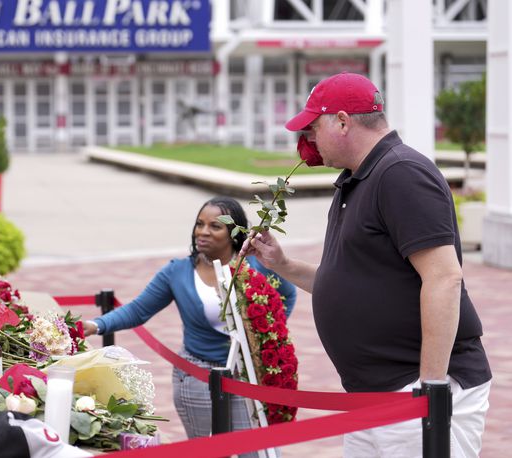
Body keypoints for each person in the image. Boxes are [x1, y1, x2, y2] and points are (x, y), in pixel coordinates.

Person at [241, 72, 491, 458]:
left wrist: (430, 387)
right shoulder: (356, 180)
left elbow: (444, 277)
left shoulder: (400, 173)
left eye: (312, 128)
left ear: (342, 122)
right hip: (373, 393)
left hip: (412, 388)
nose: (305, 140)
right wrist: (283, 264)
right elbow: (348, 282)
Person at [83, 196, 296, 444]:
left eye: (215, 226)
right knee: (209, 451)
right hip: (197, 376)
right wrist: (96, 325)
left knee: (257, 449)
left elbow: (288, 294)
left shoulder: (256, 265)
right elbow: (138, 310)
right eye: (199, 224)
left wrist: (269, 330)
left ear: (233, 233)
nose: (203, 232)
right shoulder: (178, 272)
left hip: (247, 375)